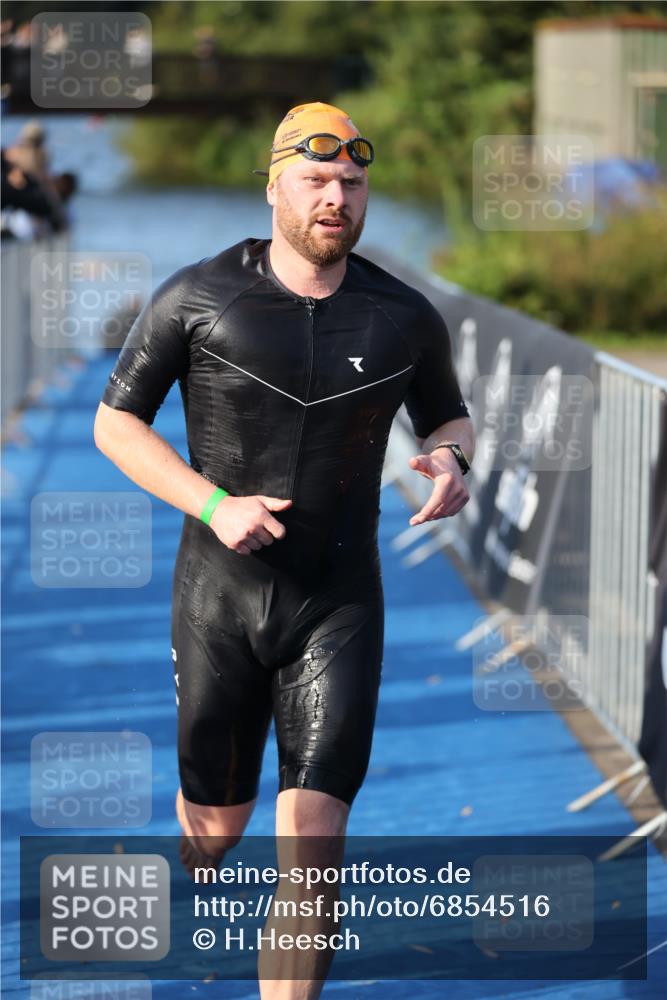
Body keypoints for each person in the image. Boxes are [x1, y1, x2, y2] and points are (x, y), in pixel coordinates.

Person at [94, 101, 474, 998]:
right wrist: (212, 503)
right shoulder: (196, 297)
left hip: (337, 602)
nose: (334, 198)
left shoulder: (403, 314)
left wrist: (452, 458)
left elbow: (446, 413)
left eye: (350, 182)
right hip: (218, 598)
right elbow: (116, 424)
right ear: (274, 188)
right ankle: (200, 838)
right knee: (216, 834)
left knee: (311, 850)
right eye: (315, 180)